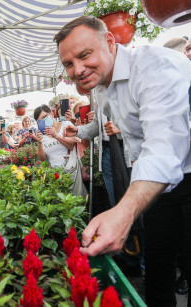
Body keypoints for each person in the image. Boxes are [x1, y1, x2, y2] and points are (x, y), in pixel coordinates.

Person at [56, 16, 191, 307]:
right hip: (159, 183)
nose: (77, 70)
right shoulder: (103, 86)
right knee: (158, 260)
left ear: (109, 41)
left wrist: (124, 211)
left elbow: (163, 149)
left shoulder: (155, 66)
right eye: (69, 64)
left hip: (181, 171)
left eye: (84, 55)